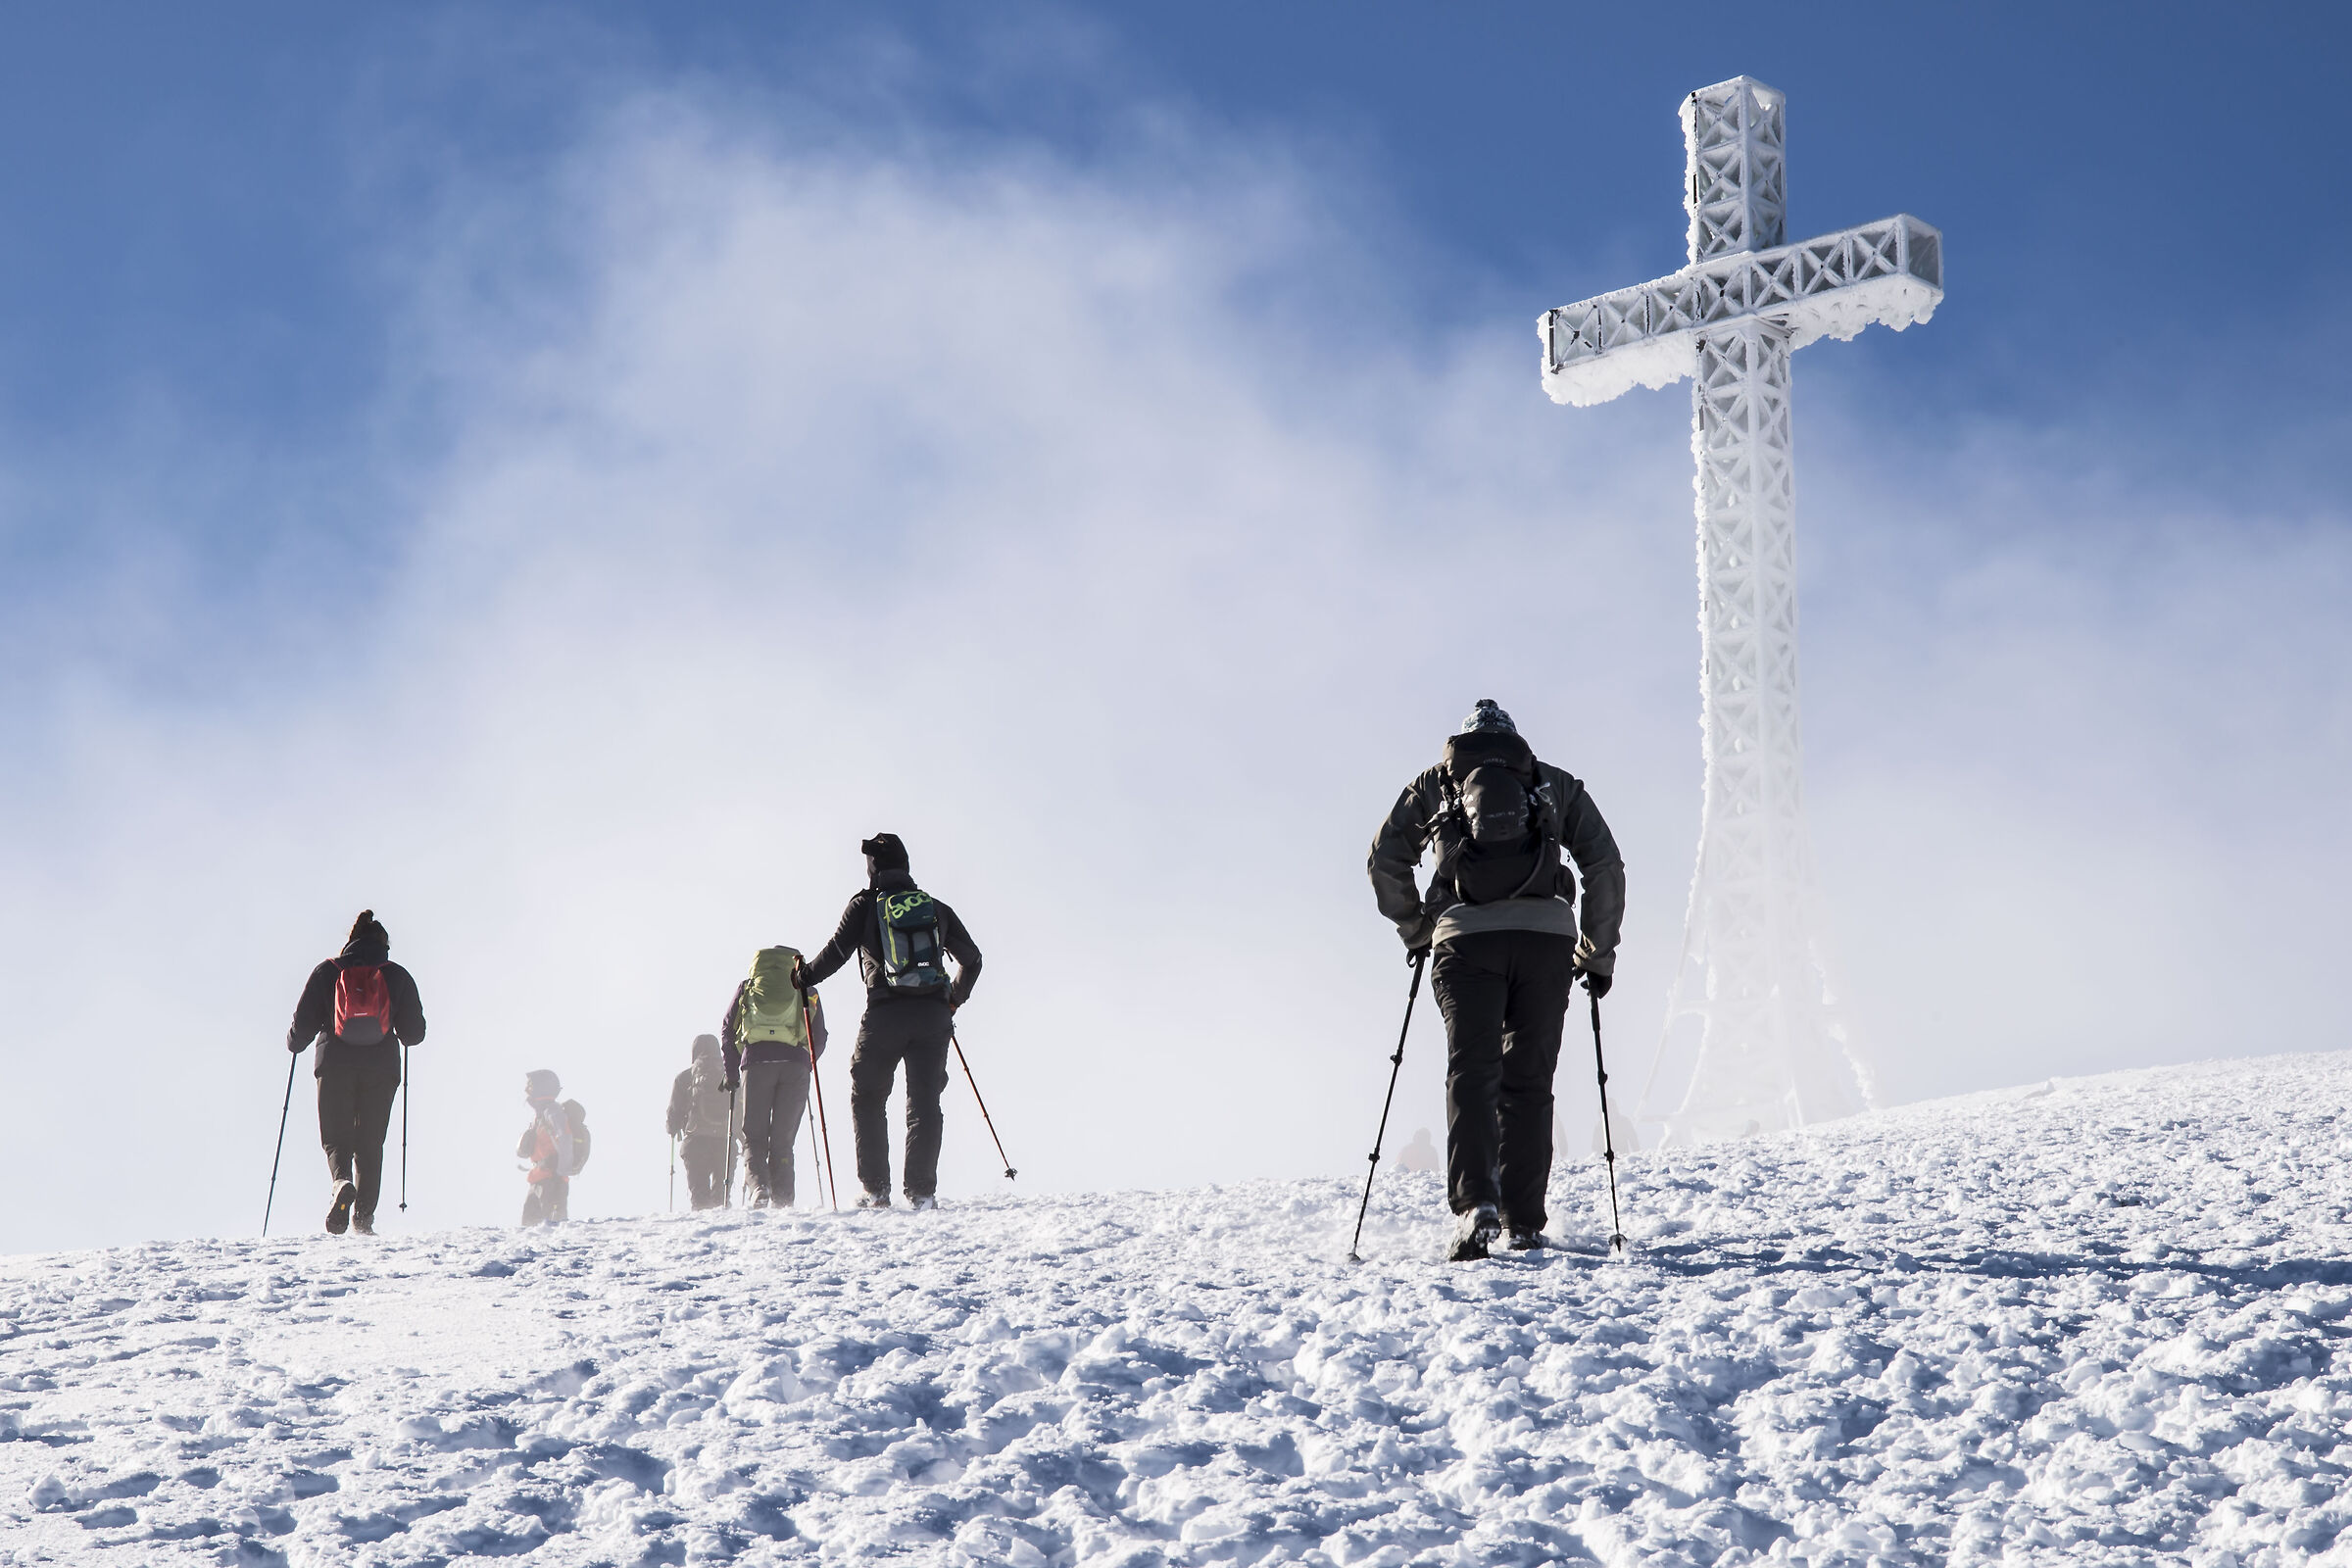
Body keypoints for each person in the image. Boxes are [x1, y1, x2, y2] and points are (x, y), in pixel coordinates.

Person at [1368, 700, 1625, 1261]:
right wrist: (1596, 952)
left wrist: (1418, 930)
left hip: (1465, 940)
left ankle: (1475, 1205)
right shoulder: (1551, 783)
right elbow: (1604, 864)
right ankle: (1525, 1221)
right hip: (1546, 941)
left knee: (1472, 1071)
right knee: (1529, 1082)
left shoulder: (1436, 785)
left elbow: (1385, 860)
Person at [798, 833, 981, 1210]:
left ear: (874, 868)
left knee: (867, 1096)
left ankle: (876, 1190)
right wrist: (952, 1000)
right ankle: (922, 1193)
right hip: (932, 1018)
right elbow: (972, 959)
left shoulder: (865, 905)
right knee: (925, 1103)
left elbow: (835, 953)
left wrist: (804, 977)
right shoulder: (933, 907)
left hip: (884, 1016)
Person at [285, 909, 427, 1236]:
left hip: (334, 1063)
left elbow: (301, 1029)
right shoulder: (397, 975)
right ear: (384, 946)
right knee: (370, 1141)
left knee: (336, 1138)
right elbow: (413, 1035)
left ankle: (341, 1183)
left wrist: (294, 1043)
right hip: (382, 1067)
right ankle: (363, 1218)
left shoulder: (328, 971)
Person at [719, 957, 828, 1207]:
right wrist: (806, 1063)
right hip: (795, 1067)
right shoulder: (806, 988)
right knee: (783, 1138)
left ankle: (759, 1187)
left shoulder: (748, 987)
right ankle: (784, 1198)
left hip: (756, 1064)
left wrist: (732, 1072)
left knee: (754, 1135)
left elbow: (727, 1028)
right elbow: (819, 1035)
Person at [666, 1035, 744, 1210]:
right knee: (721, 1198)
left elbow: (673, 1116)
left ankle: (702, 1233)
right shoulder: (731, 1076)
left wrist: (672, 1128)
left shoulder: (685, 1077)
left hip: (695, 1142)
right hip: (726, 1142)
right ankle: (723, 1232)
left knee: (699, 1198)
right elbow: (740, 1109)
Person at [518, 1069, 572, 1226]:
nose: (527, 1089)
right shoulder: (541, 1115)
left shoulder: (552, 1111)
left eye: (530, 1085)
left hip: (551, 1180)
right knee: (531, 1231)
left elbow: (566, 1137)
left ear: (542, 1087)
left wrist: (561, 1173)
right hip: (538, 1178)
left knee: (553, 1229)